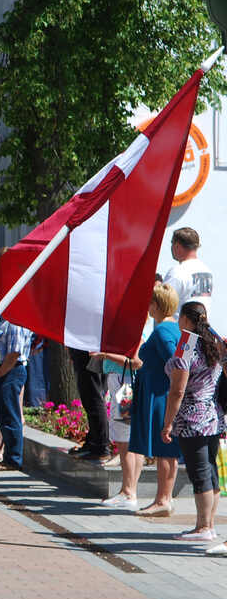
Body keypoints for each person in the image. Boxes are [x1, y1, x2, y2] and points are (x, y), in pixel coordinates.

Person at [93, 283, 180, 514]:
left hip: (127, 387)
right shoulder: (159, 328)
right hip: (126, 385)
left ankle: (129, 490)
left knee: (126, 438)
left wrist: (104, 355)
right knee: (126, 438)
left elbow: (140, 362)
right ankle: (128, 490)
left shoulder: (147, 330)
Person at [161, 301, 223, 545]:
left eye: (180, 318)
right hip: (213, 416)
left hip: (191, 418)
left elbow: (177, 389)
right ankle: (209, 525)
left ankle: (203, 526)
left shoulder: (187, 344)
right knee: (210, 470)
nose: (178, 323)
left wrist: (168, 423)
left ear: (187, 320)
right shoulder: (215, 342)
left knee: (199, 473)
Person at [0, 310, 32, 471]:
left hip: (10, 371)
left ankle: (13, 459)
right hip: (6, 371)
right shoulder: (6, 320)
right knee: (5, 416)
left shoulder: (15, 322)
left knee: (10, 416)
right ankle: (10, 458)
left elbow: (14, 353)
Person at [163, 227, 213, 316]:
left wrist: (157, 285)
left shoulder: (178, 271)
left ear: (177, 245)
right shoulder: (207, 271)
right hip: (200, 328)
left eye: (172, 243)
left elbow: (161, 303)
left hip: (177, 328)